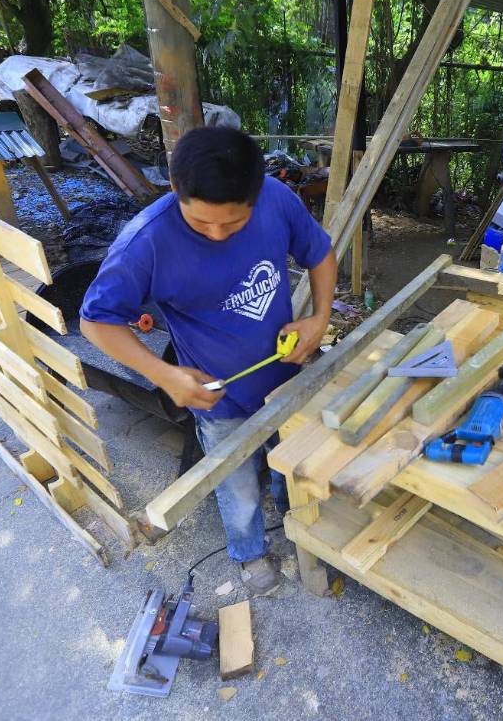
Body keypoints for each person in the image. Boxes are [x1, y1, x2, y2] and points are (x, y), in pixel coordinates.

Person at [79, 126, 336, 595]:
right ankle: (249, 552)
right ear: (176, 189)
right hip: (216, 395)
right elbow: (95, 323)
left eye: (234, 224)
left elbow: (320, 254)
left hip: (287, 375)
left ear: (257, 194)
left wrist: (318, 319)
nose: (218, 234)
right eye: (202, 224)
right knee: (235, 482)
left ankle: (292, 515)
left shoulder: (276, 199)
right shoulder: (146, 243)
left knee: (289, 459)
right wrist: (164, 375)